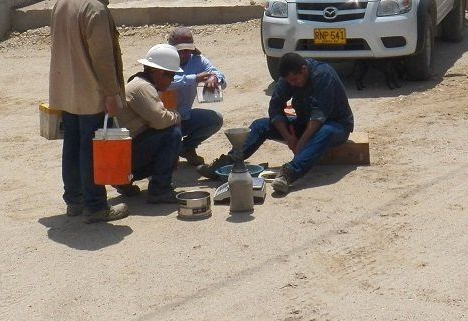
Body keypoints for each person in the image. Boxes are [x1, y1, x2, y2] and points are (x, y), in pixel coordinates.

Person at [47, 0, 128, 223]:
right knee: (91, 148)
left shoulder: (62, 2)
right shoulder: (95, 7)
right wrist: (110, 94)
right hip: (91, 91)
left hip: (67, 92)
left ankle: (75, 201)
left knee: (72, 146)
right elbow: (103, 59)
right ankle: (95, 205)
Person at [229, 52, 353, 196]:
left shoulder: (323, 74)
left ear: (304, 69)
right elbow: (275, 107)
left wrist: (301, 142)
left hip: (335, 124)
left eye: (295, 79)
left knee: (325, 132)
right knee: (260, 125)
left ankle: (289, 173)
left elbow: (319, 115)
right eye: (289, 81)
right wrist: (289, 137)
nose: (293, 84)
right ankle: (231, 161)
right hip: (305, 122)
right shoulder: (288, 79)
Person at [115, 44, 183, 204]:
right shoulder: (142, 87)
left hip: (123, 152)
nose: (172, 80)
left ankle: (125, 180)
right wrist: (176, 116)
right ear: (157, 72)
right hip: (123, 155)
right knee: (172, 135)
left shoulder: (141, 84)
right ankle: (160, 190)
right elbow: (160, 121)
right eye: (170, 75)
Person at [165, 26, 226, 165]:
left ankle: (185, 148)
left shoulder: (198, 60)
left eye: (187, 50)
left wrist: (215, 78)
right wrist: (195, 78)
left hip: (184, 116)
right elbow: (165, 83)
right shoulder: (162, 60)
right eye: (180, 50)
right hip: (161, 121)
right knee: (166, 163)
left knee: (214, 120)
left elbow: (219, 77)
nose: (184, 54)